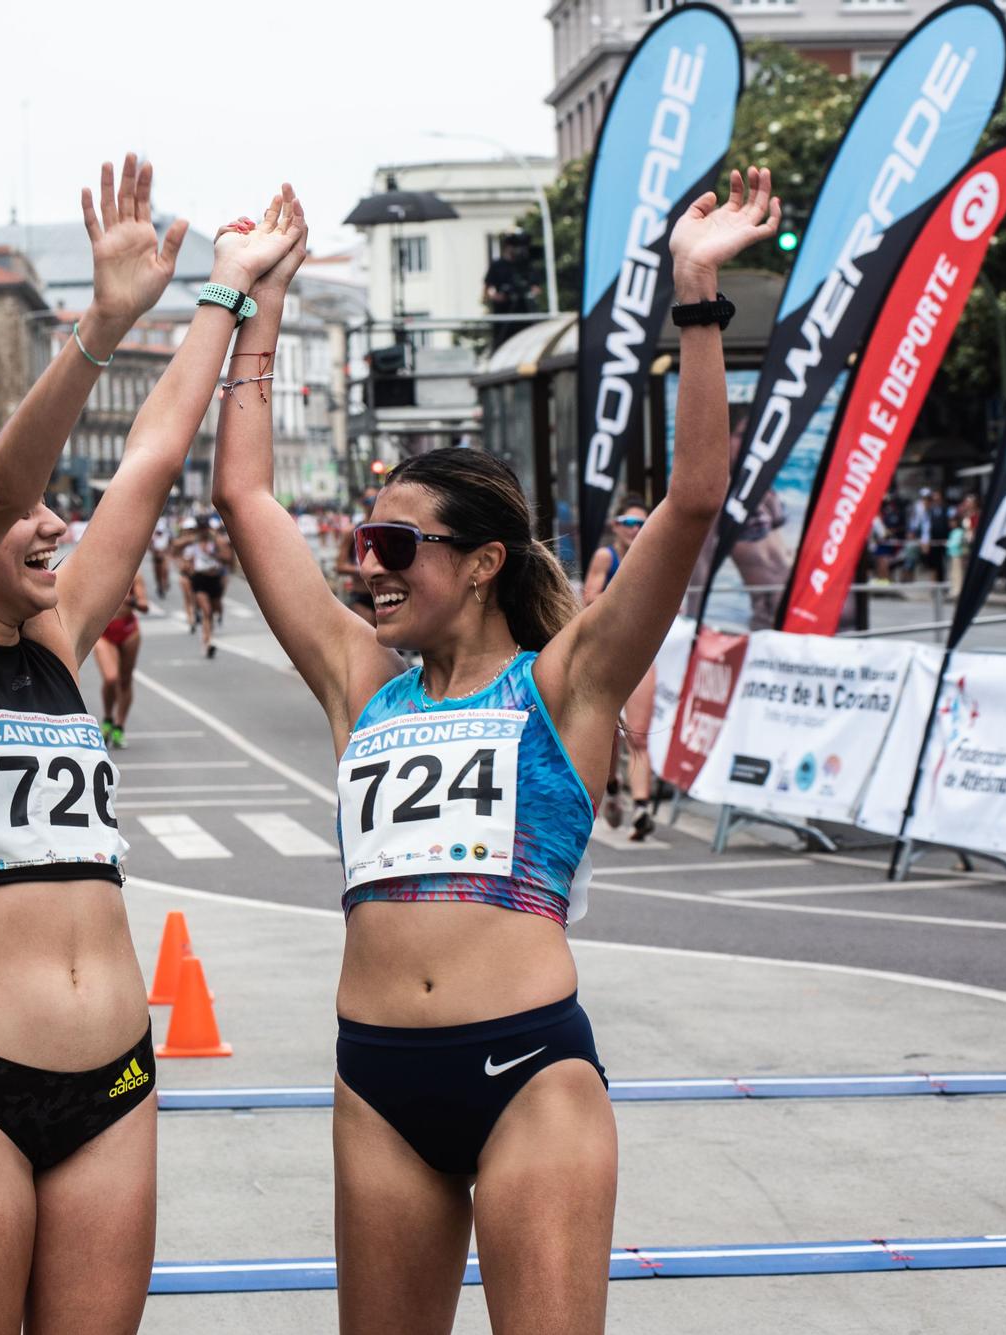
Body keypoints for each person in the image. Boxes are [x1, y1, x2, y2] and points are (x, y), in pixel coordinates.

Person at [214, 167, 778, 1334]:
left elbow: (691, 499)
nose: (364, 565)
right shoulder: (361, 686)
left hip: (527, 1071)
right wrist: (257, 304)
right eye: (360, 542)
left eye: (392, 546)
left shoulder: (565, 683)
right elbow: (244, 496)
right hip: (375, 1077)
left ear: (477, 564)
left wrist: (694, 292)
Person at [0, 156, 299, 1332]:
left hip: (117, 1076)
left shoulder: (55, 637)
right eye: (33, 509)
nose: (56, 524)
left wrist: (224, 290)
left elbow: (149, 458)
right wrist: (99, 325)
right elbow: (1, 493)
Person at [583, 497, 658, 840]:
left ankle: (642, 808)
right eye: (629, 523)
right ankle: (612, 787)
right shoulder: (606, 556)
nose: (635, 530)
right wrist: (629, 597)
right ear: (616, 526)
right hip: (608, 654)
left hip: (642, 652)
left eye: (642, 524)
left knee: (639, 734)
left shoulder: (656, 557)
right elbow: (589, 598)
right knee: (610, 732)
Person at [94, 572, 149, 748]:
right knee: (111, 678)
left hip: (128, 630)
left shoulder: (134, 574)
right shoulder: (96, 571)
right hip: (104, 631)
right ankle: (107, 718)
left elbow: (144, 606)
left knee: (125, 680)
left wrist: (130, 601)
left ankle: (119, 726)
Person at [181, 517, 232, 657]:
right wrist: (187, 565)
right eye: (201, 528)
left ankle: (208, 637)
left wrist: (214, 554)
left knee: (213, 612)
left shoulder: (216, 541)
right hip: (200, 579)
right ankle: (207, 642)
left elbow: (228, 558)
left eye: (205, 528)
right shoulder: (193, 541)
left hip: (214, 578)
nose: (203, 531)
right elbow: (180, 551)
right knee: (207, 611)